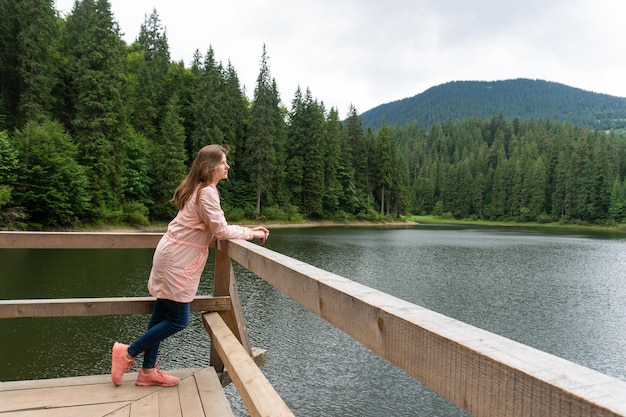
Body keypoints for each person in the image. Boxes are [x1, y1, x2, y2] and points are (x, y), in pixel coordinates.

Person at [111, 144, 269, 387]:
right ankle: (128, 353)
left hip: (174, 254)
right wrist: (251, 232)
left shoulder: (201, 189)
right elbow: (221, 230)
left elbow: (214, 225)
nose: (227, 166)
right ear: (210, 166)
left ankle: (147, 371)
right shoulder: (206, 192)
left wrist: (247, 229)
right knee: (178, 320)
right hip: (178, 259)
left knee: (161, 314)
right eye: (223, 162)